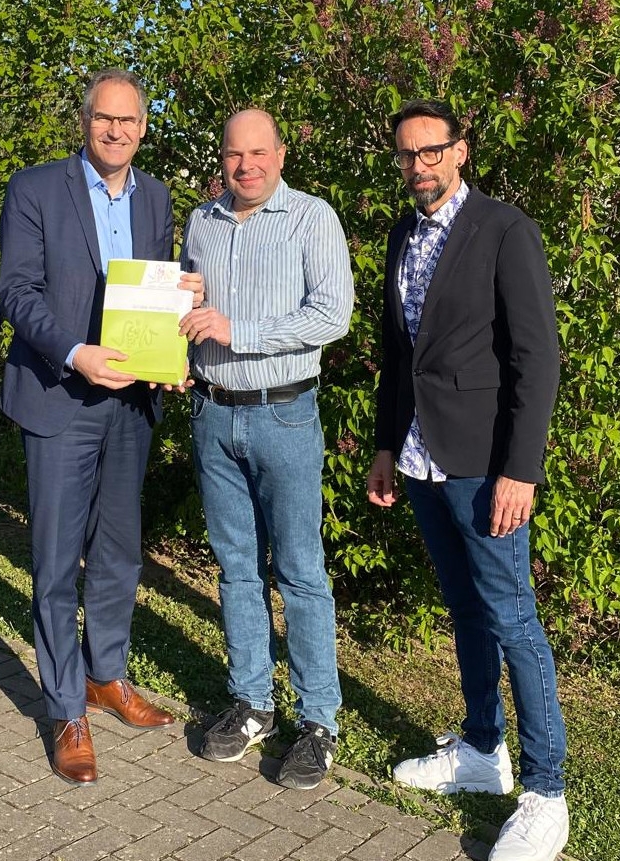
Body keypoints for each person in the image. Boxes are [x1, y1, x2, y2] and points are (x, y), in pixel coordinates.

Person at [365, 99, 567, 860]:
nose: (418, 166)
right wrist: (387, 445)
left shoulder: (503, 230)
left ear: (460, 151)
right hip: (420, 458)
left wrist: (521, 468)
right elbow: (398, 352)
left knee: (512, 616)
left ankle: (547, 792)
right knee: (466, 608)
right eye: (407, 155)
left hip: (484, 464)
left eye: (431, 151)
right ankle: (483, 749)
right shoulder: (400, 234)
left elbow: (535, 358)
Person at [0, 69, 203, 785]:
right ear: (84, 122)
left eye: (129, 121)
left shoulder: (155, 195)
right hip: (60, 395)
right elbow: (16, 292)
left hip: (129, 405)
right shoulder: (35, 188)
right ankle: (64, 707)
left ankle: (104, 674)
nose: (116, 131)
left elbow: (150, 286)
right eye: (103, 119)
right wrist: (75, 351)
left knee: (118, 551)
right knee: (55, 561)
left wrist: (183, 298)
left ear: (144, 127)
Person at [179, 109, 354, 790]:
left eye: (257, 152)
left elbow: (330, 315)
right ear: (220, 158)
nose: (245, 165)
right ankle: (253, 700)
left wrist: (235, 329)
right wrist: (178, 338)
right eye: (232, 154)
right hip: (213, 414)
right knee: (235, 567)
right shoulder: (201, 221)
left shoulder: (311, 218)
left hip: (283, 414)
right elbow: (192, 311)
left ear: (280, 153)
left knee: (301, 571)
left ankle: (319, 720)